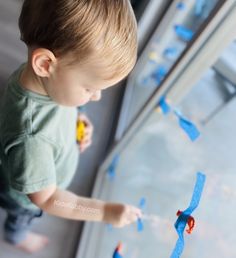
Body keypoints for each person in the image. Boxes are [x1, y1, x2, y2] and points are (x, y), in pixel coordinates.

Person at [0, 0, 141, 253]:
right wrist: (103, 212)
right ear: (44, 64)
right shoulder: (31, 138)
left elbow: (61, 102)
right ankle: (17, 237)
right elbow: (48, 199)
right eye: (89, 88)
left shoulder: (44, 82)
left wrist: (78, 117)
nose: (96, 97)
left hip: (34, 165)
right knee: (21, 219)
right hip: (26, 199)